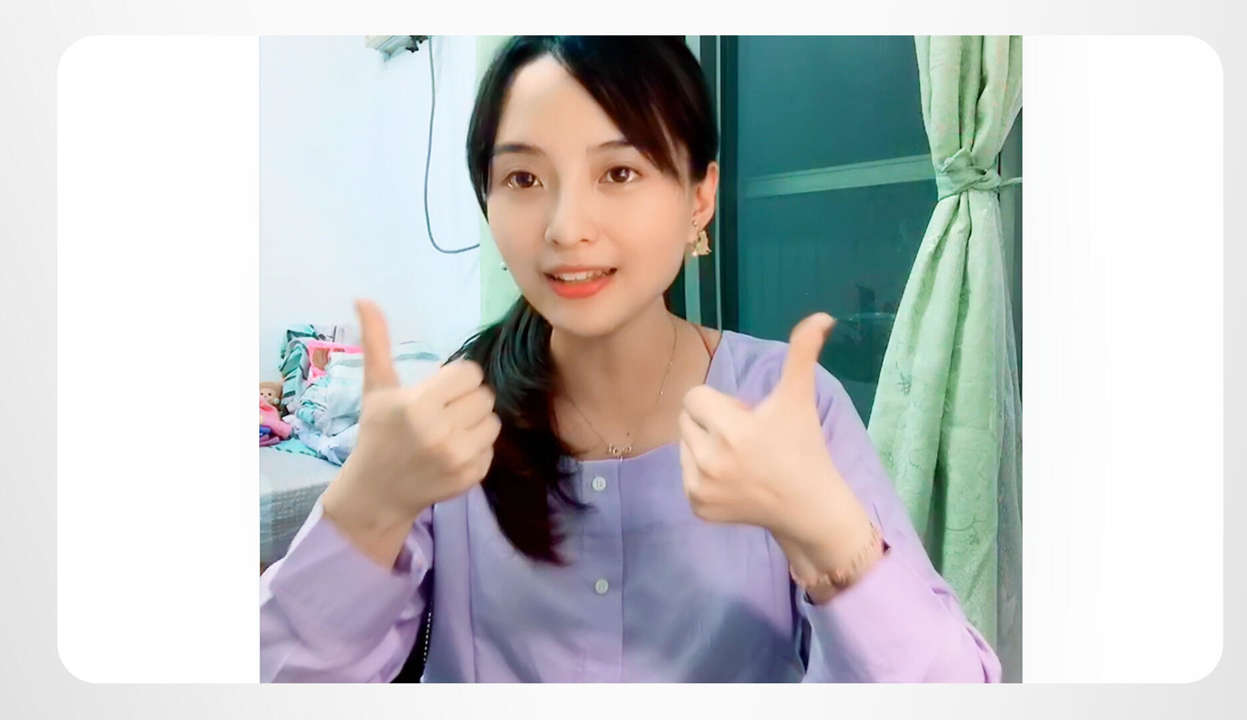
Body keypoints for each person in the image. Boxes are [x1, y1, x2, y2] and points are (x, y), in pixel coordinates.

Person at [260, 35, 1001, 683]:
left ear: (699, 198)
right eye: (523, 178)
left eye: (619, 173)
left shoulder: (787, 407)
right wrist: (366, 506)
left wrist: (830, 536)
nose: (566, 227)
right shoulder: (451, 424)